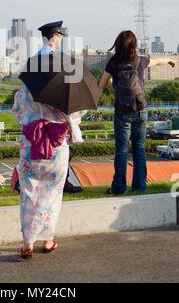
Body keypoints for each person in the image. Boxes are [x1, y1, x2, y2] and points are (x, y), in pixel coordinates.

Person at [12, 21, 84, 259]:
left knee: (29, 192)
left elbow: (19, 109)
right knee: (52, 194)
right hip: (56, 146)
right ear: (58, 36)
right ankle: (48, 240)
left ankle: (27, 243)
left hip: (31, 145)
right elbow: (73, 114)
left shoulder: (31, 70)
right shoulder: (66, 69)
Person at [98, 30, 175, 195]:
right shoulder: (140, 61)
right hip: (141, 110)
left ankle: (119, 187)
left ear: (118, 44)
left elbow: (101, 85)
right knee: (139, 148)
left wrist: (97, 97)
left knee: (121, 150)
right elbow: (158, 61)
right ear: (135, 44)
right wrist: (169, 60)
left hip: (122, 112)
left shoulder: (113, 63)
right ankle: (139, 186)